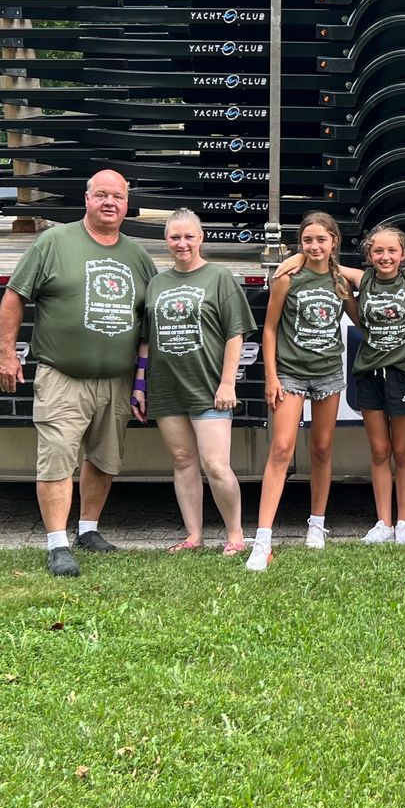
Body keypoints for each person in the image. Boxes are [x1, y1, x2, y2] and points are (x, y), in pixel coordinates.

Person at [0, 169, 159, 578]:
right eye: (101, 194)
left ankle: (88, 530)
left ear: (127, 204)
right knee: (57, 459)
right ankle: (57, 544)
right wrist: (7, 353)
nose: (109, 203)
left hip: (117, 380)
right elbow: (14, 296)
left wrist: (141, 380)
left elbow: (149, 321)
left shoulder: (137, 256)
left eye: (117, 196)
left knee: (105, 459)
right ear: (86, 199)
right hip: (62, 376)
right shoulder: (54, 242)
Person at [133, 209, 256, 555]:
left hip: (208, 387)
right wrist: (139, 384)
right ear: (166, 241)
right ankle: (194, 536)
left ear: (201, 238)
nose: (182, 243)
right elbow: (146, 340)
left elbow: (235, 334)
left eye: (189, 236)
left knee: (215, 465)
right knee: (183, 461)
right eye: (175, 237)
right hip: (166, 387)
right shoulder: (157, 284)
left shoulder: (219, 277)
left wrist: (227, 383)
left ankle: (235, 534)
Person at [249, 211, 351, 573]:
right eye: (307, 240)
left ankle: (317, 524)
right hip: (290, 373)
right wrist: (271, 377)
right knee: (281, 448)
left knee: (322, 448)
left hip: (328, 374)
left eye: (321, 239)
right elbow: (269, 329)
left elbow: (360, 307)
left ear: (334, 242)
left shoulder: (341, 281)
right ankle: (262, 539)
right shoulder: (287, 278)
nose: (314, 246)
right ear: (300, 243)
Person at [342, 224, 405, 545]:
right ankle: (383, 522)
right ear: (369, 254)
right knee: (379, 451)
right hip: (369, 375)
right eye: (378, 250)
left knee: (402, 450)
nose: (385, 256)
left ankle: (403, 522)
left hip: (402, 375)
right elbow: (323, 261)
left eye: (392, 250)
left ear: (403, 255)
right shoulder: (362, 280)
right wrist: (296, 258)